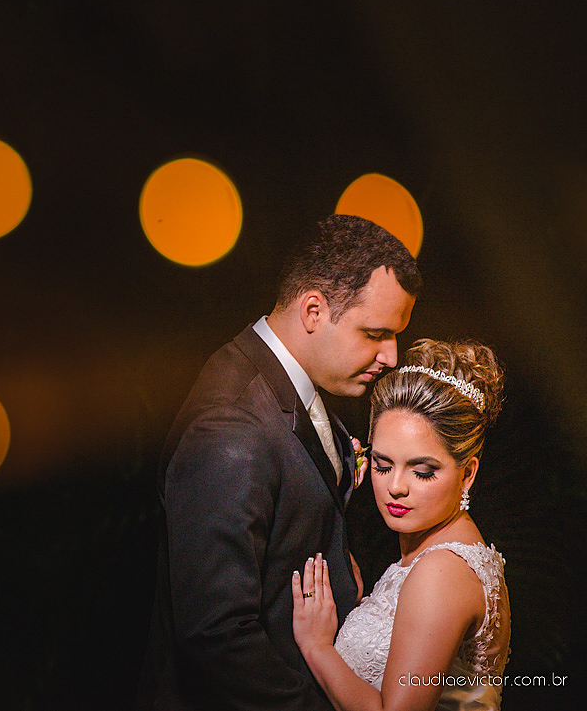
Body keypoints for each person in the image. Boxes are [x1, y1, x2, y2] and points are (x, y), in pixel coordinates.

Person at [138, 214, 422, 710]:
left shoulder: (287, 384)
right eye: (375, 333)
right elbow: (216, 633)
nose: (392, 355)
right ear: (313, 310)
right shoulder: (231, 426)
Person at [292, 339, 511, 711]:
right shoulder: (441, 553)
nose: (396, 487)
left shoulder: (441, 572)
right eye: (382, 465)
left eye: (422, 471)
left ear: (468, 474)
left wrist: (317, 646)